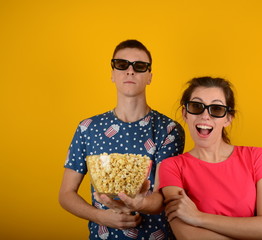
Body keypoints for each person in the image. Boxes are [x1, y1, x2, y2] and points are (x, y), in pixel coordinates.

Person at [59, 39, 185, 240]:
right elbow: (66, 194)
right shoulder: (87, 128)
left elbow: (162, 198)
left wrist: (138, 204)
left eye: (139, 66)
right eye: (121, 64)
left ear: (150, 76)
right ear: (112, 74)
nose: (130, 71)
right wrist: (101, 217)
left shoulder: (168, 130)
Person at [158, 77, 262, 240]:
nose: (205, 116)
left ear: (228, 118)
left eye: (216, 109)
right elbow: (188, 236)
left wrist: (198, 217)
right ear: (185, 113)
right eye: (196, 106)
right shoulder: (171, 166)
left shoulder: (256, 157)